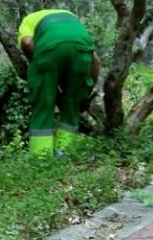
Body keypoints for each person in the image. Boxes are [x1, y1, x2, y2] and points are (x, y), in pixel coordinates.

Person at [17, 9, 100, 157]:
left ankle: (41, 158)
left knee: (44, 105)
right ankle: (64, 153)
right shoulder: (71, 17)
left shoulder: (28, 20)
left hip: (48, 50)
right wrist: (87, 90)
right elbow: (96, 61)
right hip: (81, 48)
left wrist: (37, 64)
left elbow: (27, 42)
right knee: (72, 105)